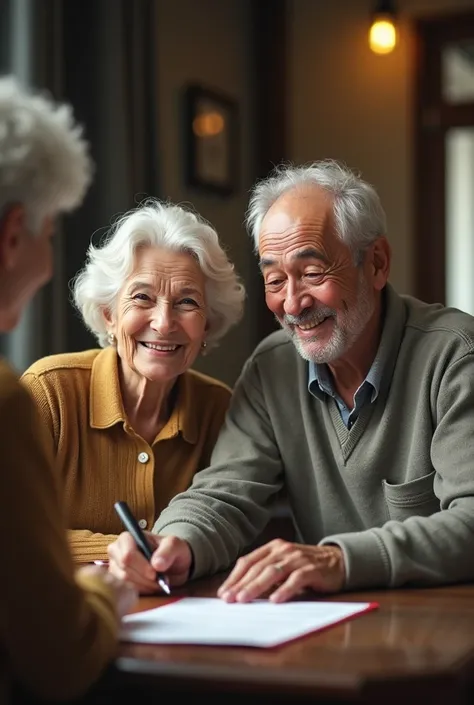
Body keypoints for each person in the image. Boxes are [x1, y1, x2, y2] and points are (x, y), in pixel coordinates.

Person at [108, 158, 474, 602]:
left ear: (376, 263)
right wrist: (174, 545)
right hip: (324, 631)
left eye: (313, 273)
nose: (293, 303)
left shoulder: (456, 355)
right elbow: (225, 494)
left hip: (446, 632)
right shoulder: (272, 368)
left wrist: (339, 560)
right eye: (275, 279)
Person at [0, 75, 137, 703]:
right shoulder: (13, 400)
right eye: (51, 235)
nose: (50, 261)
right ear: (13, 237)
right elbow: (61, 655)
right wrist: (101, 594)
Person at [21, 198, 245, 563]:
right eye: (142, 297)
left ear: (208, 324)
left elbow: (232, 528)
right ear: (109, 314)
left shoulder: (220, 410)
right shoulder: (50, 392)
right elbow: (13, 530)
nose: (163, 322)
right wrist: (114, 552)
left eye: (187, 302)